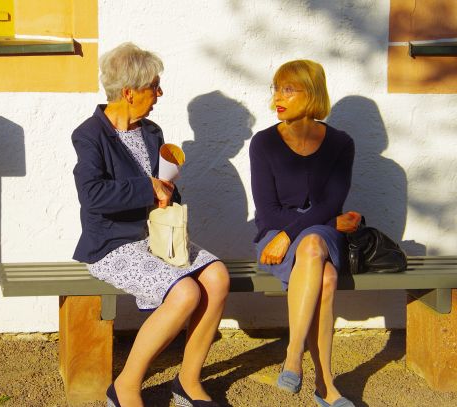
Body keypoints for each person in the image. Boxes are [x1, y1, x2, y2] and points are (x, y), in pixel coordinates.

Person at [72, 42, 229, 407]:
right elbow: (92, 195)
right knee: (185, 293)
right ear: (129, 92)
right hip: (112, 244)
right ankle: (124, 387)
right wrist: (148, 188)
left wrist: (168, 193)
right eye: (154, 86)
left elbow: (163, 187)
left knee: (218, 277)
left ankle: (187, 382)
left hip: (157, 239)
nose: (160, 94)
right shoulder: (90, 135)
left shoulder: (151, 132)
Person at [249, 59, 359, 407]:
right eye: (276, 89)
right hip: (275, 235)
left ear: (311, 93)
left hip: (318, 235)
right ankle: (326, 386)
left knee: (312, 244)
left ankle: (293, 355)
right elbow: (268, 211)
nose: (277, 98)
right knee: (326, 277)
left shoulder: (340, 143)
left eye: (288, 89)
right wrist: (291, 233)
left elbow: (332, 202)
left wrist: (303, 230)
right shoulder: (263, 143)